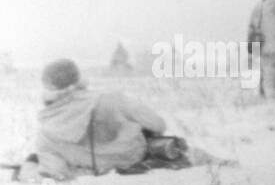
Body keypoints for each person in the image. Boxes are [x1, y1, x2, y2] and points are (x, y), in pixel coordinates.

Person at [31, 59, 194, 178]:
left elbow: (58, 172)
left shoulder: (45, 131)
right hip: (136, 158)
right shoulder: (111, 99)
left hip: (94, 170)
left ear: (48, 87)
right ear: (78, 78)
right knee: (188, 152)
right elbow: (158, 124)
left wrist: (88, 171)